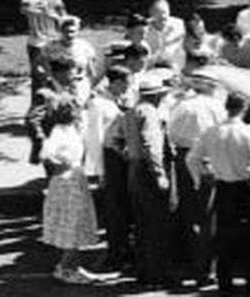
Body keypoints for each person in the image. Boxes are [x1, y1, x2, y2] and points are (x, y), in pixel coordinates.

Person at [188, 93, 250, 295]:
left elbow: (192, 158)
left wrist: (201, 177)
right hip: (245, 187)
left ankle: (225, 283)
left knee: (224, 237)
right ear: (244, 108)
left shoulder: (212, 132)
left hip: (223, 186)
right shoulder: (248, 133)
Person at [117, 74, 175, 287]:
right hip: (147, 171)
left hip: (134, 168)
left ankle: (144, 271)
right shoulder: (149, 113)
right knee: (156, 224)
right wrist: (159, 174)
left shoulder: (131, 111)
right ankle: (156, 274)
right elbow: (151, 144)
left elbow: (121, 141)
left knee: (142, 224)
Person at [165, 73, 223, 283]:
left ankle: (193, 263)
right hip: (209, 157)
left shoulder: (182, 106)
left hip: (186, 156)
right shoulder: (216, 107)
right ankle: (207, 267)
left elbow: (172, 134)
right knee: (209, 214)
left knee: (190, 212)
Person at [40, 98, 102, 284]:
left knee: (79, 222)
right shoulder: (60, 131)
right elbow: (47, 155)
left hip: (77, 179)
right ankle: (65, 267)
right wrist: (63, 166)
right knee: (71, 224)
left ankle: (74, 266)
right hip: (67, 182)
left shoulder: (74, 129)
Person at [90, 65, 134, 275]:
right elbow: (95, 138)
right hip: (110, 160)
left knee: (126, 206)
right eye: (126, 82)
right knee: (114, 208)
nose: (129, 87)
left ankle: (126, 250)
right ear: (116, 82)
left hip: (124, 158)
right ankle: (115, 253)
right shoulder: (98, 104)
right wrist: (101, 170)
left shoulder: (120, 102)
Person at [23, 0, 66, 104]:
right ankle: (36, 117)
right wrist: (44, 12)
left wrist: (63, 19)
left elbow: (61, 10)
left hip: (54, 42)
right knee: (40, 80)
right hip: (38, 44)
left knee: (57, 77)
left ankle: (53, 113)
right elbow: (24, 8)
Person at [146, 0, 187, 71]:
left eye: (165, 12)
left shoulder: (178, 25)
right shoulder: (145, 29)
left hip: (175, 66)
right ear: (151, 13)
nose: (163, 16)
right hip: (151, 66)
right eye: (158, 13)